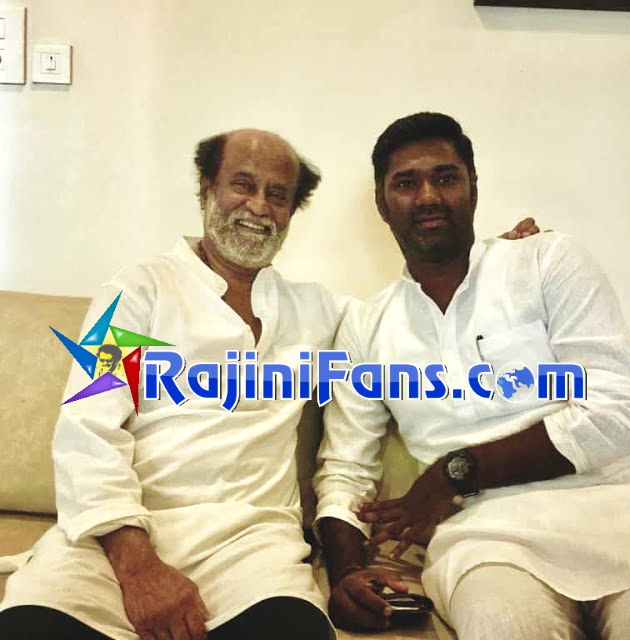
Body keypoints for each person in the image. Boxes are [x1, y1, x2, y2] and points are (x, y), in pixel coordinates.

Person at [0, 125, 535, 640]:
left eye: (278, 195)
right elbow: (88, 432)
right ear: (206, 189)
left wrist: (491, 267)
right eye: (243, 184)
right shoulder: (139, 290)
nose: (259, 206)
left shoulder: (313, 310)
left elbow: (402, 316)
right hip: (118, 540)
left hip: (251, 547)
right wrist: (138, 568)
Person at [314, 112, 630, 640]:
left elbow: (617, 414)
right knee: (505, 626)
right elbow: (345, 469)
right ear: (381, 203)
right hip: (486, 541)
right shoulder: (367, 326)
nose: (428, 197)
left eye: (445, 177)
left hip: (619, 511)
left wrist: (454, 472)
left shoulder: (546, 262)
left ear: (473, 187)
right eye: (406, 183)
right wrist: (347, 571)